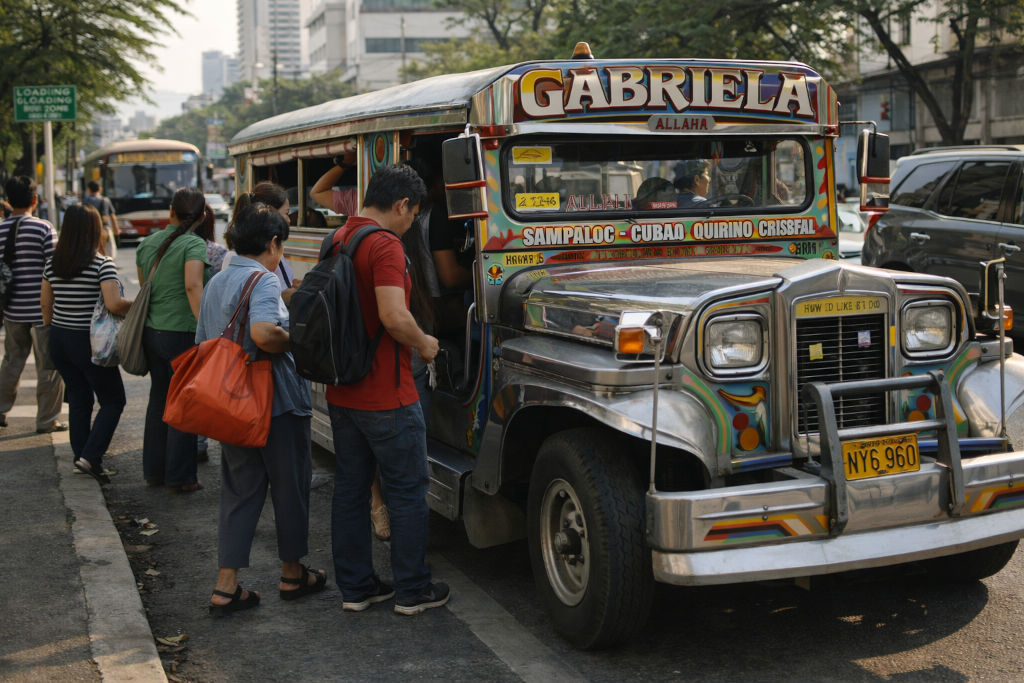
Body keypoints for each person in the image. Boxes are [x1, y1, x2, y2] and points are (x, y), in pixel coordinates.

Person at [327, 163, 448, 614]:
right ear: (401, 205)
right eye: (412, 214)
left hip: (343, 392)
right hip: (386, 393)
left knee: (351, 491)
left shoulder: (338, 237)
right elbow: (394, 317)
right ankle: (412, 590)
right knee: (407, 490)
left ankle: (357, 589)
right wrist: (426, 344)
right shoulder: (385, 246)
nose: (412, 222)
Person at [197, 202, 326, 616]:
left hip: (231, 405)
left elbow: (204, 343)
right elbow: (263, 334)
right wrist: (296, 339)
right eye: (281, 244)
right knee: (290, 488)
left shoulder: (218, 281)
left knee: (239, 492)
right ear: (273, 243)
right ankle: (292, 573)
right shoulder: (264, 280)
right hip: (276, 402)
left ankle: (226, 584)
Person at [40, 204, 132, 484]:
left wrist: (55, 326)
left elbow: (46, 303)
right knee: (114, 400)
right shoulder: (101, 264)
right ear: (94, 231)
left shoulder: (53, 263)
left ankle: (81, 456)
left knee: (79, 399)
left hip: (59, 338)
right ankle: (90, 456)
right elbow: (114, 304)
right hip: (88, 342)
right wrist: (140, 302)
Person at [135, 187, 210, 492]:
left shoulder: (147, 243)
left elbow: (145, 290)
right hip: (182, 333)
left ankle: (154, 471)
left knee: (159, 400)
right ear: (202, 216)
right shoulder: (193, 244)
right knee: (184, 402)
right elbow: (193, 287)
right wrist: (205, 328)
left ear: (171, 211)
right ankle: (180, 477)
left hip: (152, 333)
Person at [0, 176, 65, 433]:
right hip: (43, 311)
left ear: (8, 199)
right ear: (35, 200)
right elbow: (55, 269)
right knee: (48, 366)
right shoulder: (44, 228)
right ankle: (47, 421)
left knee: (11, 360)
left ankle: (1, 411)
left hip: (12, 311)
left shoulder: (1, 230)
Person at [223, 182, 301, 304]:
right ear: (270, 212)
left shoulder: (272, 251)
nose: (289, 220)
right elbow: (252, 302)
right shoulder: (238, 257)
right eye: (286, 213)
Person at [83, 181, 119, 259]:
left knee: (94, 250)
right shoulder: (105, 200)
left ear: (88, 189)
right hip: (105, 228)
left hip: (90, 229)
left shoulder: (85, 201)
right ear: (100, 189)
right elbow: (112, 215)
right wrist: (116, 229)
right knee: (108, 251)